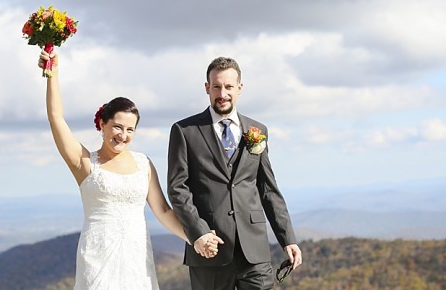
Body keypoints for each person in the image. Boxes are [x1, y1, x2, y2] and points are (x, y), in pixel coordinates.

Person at [38, 50, 220, 290]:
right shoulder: (84, 163)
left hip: (136, 259)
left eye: (130, 130)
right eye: (117, 127)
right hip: (97, 258)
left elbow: (163, 211)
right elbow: (56, 117)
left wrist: (195, 237)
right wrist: (52, 74)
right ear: (102, 124)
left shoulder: (143, 164)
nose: (123, 135)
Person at [167, 56, 303, 290]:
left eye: (229, 86)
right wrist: (199, 232)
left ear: (240, 88)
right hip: (210, 249)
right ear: (207, 88)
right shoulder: (184, 131)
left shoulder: (257, 130)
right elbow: (178, 189)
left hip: (255, 251)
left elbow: (268, 190)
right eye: (216, 87)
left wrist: (287, 238)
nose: (223, 94)